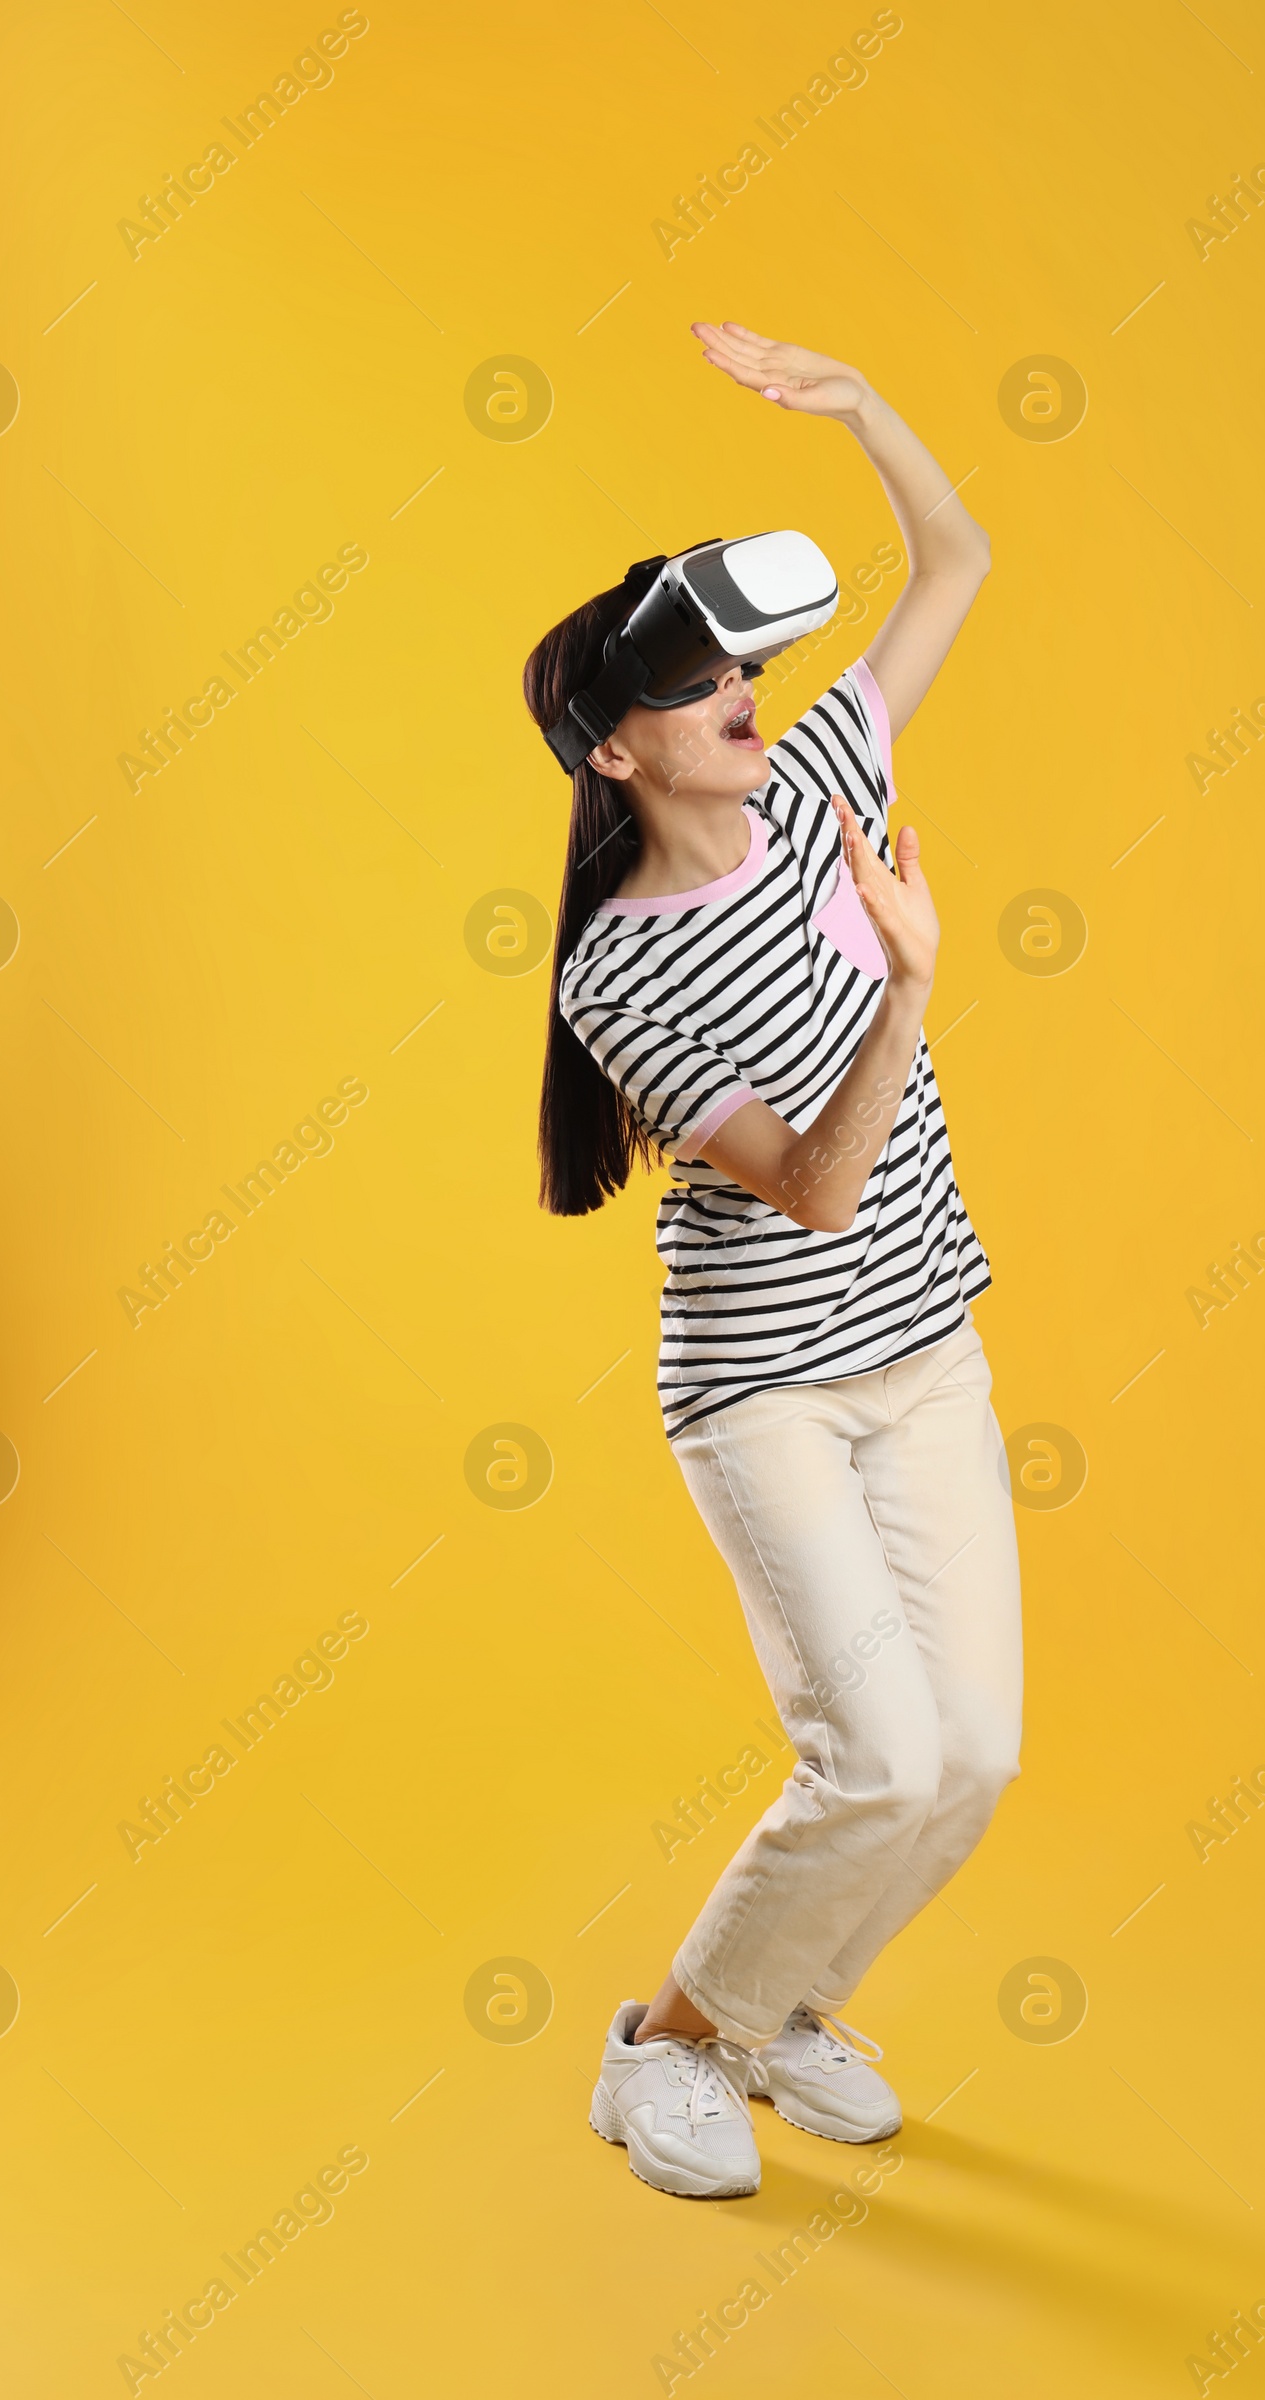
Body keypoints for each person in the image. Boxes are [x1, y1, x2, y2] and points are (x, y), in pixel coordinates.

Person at [525, 323, 1023, 2199]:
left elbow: (955, 559)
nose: (739, 688)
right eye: (688, 682)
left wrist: (858, 405)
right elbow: (814, 1184)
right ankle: (662, 2048)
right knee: (874, 1759)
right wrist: (904, 979)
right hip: (766, 1393)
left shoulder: (819, 776)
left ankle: (782, 2013)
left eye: (735, 660)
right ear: (614, 745)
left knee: (966, 1760)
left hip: (924, 1358)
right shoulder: (618, 971)